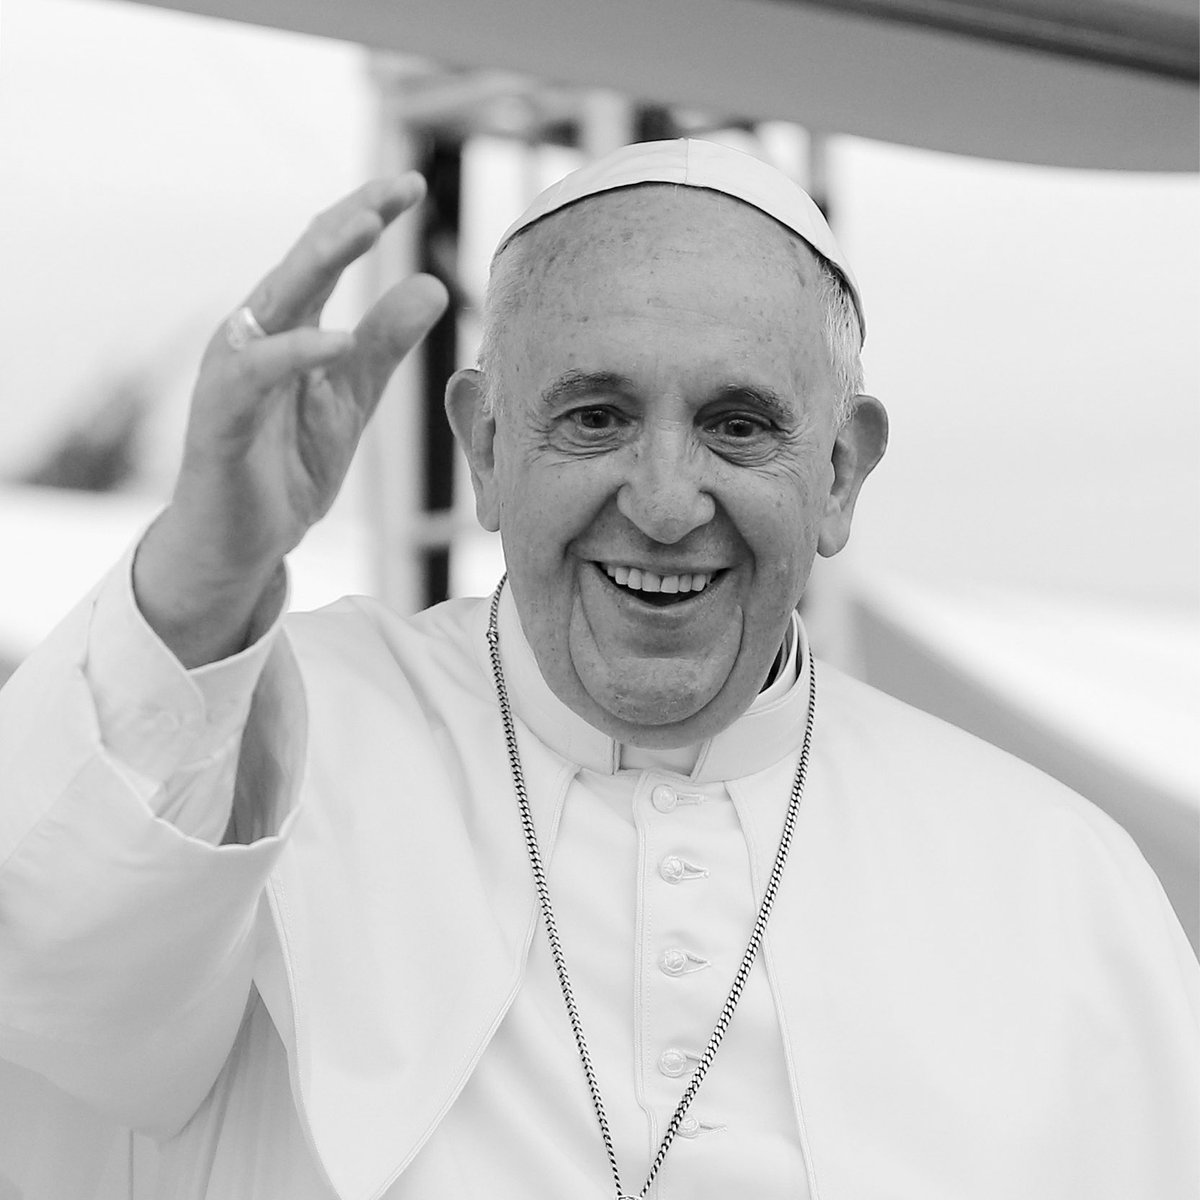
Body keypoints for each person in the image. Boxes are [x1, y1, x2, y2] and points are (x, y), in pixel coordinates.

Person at [0, 139, 1196, 1200]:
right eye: (595, 417)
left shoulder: (1057, 883)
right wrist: (201, 582)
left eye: (739, 424)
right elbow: (50, 963)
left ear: (839, 474)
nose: (668, 503)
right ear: (482, 445)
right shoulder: (265, 737)